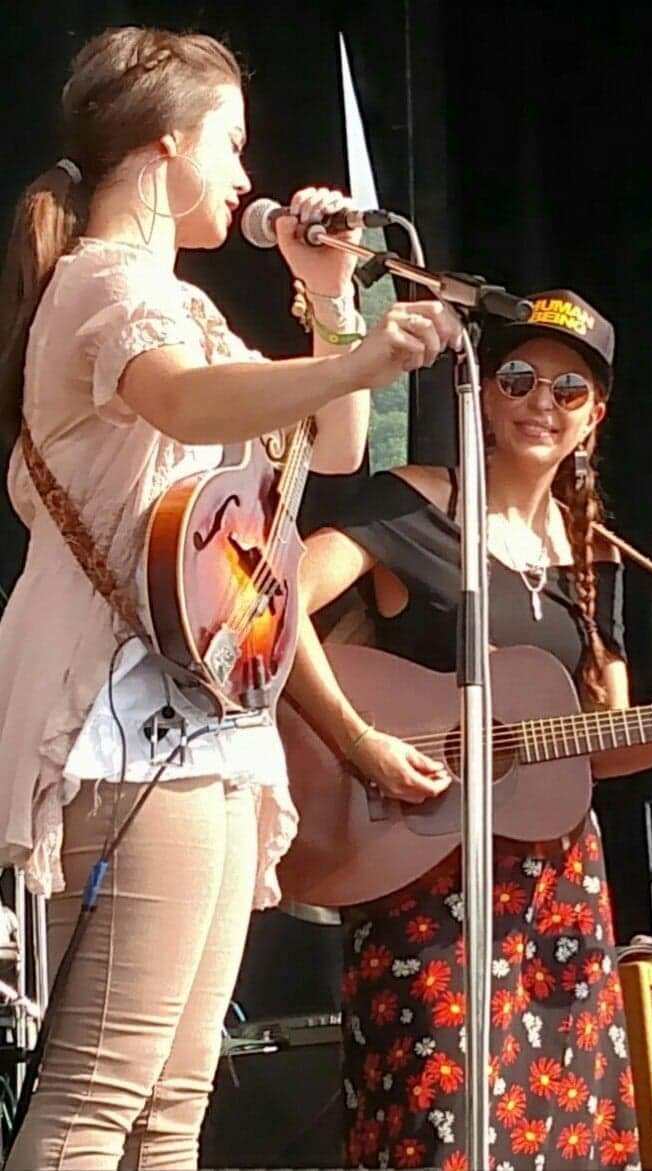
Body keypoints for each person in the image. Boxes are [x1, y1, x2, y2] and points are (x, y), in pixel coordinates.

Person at [0, 25, 460, 1171]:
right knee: (101, 1092)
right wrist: (355, 360)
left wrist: (330, 297)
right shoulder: (106, 285)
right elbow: (185, 404)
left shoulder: (186, 305)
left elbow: (336, 453)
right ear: (168, 145)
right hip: (124, 727)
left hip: (203, 728)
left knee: (173, 1104)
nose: (251, 178)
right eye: (233, 144)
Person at [286, 289, 652, 1170]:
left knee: (565, 1126)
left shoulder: (593, 560)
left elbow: (601, 741)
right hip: (422, 873)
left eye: (568, 389)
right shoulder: (414, 504)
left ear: (596, 417)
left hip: (554, 890)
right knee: (439, 1126)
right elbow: (269, 602)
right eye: (518, 378)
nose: (541, 402)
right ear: (483, 394)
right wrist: (359, 740)